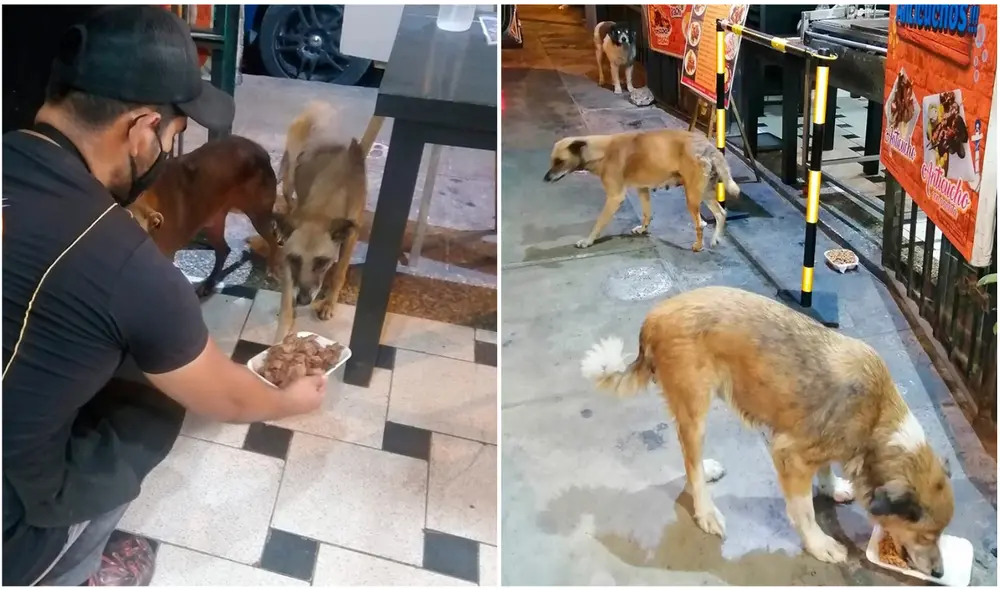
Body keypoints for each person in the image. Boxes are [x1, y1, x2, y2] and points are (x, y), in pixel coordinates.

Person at [2, 6, 327, 586]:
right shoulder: (124, 260)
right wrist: (291, 400)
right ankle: (70, 566)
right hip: (9, 538)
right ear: (141, 129)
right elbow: (227, 398)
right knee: (148, 405)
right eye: (173, 138)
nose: (168, 155)